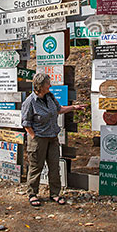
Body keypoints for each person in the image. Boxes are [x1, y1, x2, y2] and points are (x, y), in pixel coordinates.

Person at [21, 73, 86, 207]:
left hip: (52, 138)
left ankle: (55, 193)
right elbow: (26, 123)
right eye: (47, 83)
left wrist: (74, 107)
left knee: (54, 167)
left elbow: (59, 109)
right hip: (39, 139)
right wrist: (34, 137)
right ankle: (32, 193)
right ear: (40, 86)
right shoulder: (30, 102)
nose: (50, 85)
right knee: (36, 167)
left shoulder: (50, 97)